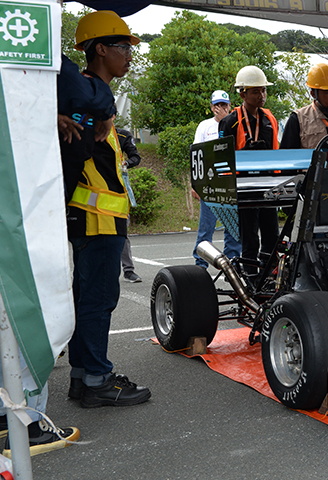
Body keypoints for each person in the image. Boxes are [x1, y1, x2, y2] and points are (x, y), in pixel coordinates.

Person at [63, 10, 151, 407]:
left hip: (97, 218)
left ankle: (83, 378)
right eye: (121, 47)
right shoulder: (87, 97)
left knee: (88, 300)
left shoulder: (94, 101)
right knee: (98, 300)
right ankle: (99, 380)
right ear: (99, 49)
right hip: (96, 220)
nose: (129, 55)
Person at [219, 66, 280, 272]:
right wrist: (244, 153)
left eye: (263, 90)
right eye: (256, 91)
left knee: (272, 236)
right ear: (243, 94)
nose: (261, 95)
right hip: (244, 189)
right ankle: (250, 276)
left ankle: (270, 275)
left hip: (268, 187)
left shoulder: (269, 119)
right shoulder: (230, 122)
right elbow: (222, 159)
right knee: (250, 239)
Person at [193, 90, 241, 268]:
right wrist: (195, 184)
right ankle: (200, 263)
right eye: (217, 105)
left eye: (224, 105)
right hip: (210, 184)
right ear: (211, 107)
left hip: (230, 182)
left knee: (233, 227)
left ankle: (233, 262)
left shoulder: (236, 123)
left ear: (229, 106)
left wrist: (225, 123)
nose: (220, 108)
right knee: (206, 226)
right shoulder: (204, 126)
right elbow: (197, 155)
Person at [116, 128, 142, 283]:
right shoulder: (91, 132)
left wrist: (126, 163)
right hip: (94, 188)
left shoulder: (123, 135)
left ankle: (128, 271)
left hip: (118, 188)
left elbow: (135, 157)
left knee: (122, 229)